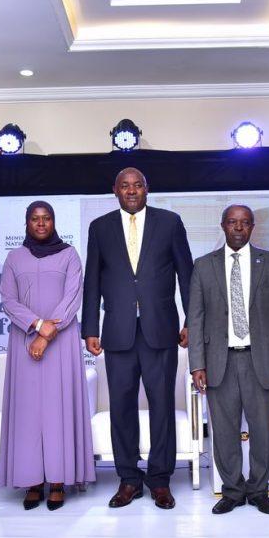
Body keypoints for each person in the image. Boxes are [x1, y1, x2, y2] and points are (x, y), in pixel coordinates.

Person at [82, 167, 193, 510]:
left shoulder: (170, 222)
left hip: (161, 330)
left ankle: (160, 480)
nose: (131, 191)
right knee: (122, 409)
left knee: (162, 407)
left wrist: (192, 320)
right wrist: (90, 328)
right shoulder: (100, 228)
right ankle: (129, 479)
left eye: (137, 185)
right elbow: (93, 282)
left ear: (147, 189)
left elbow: (186, 274)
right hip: (118, 333)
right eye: (125, 186)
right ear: (114, 190)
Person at [187, 205, 269, 515]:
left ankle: (259, 490)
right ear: (222, 226)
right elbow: (195, 318)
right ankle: (232, 490)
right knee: (223, 431)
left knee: (261, 430)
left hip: (260, 360)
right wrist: (198, 364)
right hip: (219, 361)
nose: (238, 228)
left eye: (244, 223)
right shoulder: (203, 266)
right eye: (232, 223)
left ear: (252, 227)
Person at [0, 201, 95, 510]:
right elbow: (8, 299)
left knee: (58, 410)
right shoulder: (14, 257)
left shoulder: (69, 255)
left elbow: (72, 296)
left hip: (61, 343)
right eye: (35, 219)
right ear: (27, 223)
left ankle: (57, 480)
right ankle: (32, 481)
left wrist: (47, 333)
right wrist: (38, 325)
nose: (41, 224)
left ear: (54, 222)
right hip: (25, 341)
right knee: (27, 414)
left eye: (46, 218)